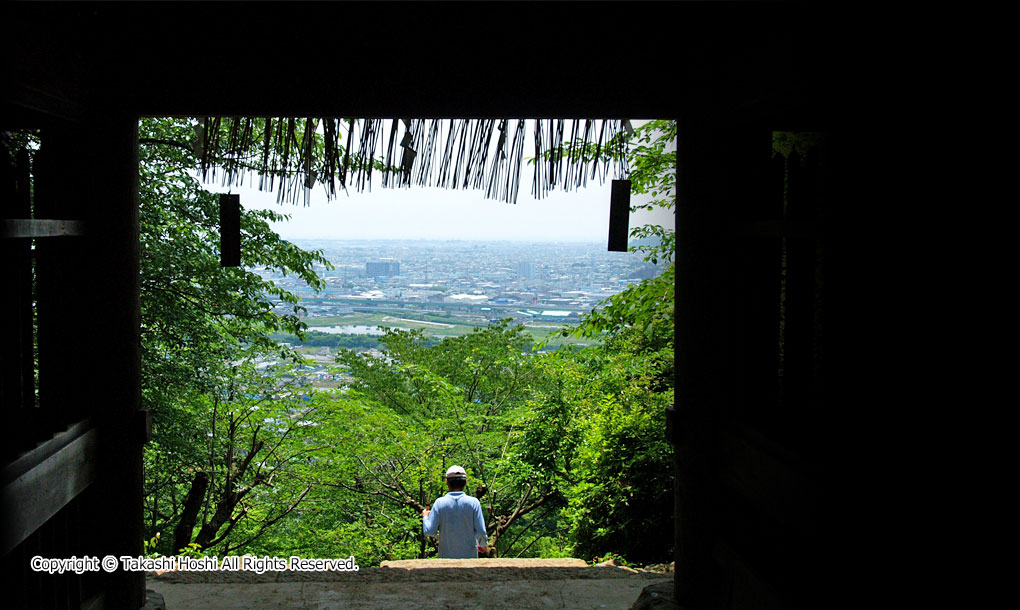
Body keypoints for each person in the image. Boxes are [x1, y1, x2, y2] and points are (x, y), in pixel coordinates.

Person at [421, 465, 488, 558]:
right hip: (469, 562)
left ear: (447, 482)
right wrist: (483, 545)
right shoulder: (473, 503)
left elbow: (429, 531)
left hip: (446, 563)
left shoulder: (440, 503)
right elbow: (481, 531)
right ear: (465, 483)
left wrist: (425, 517)